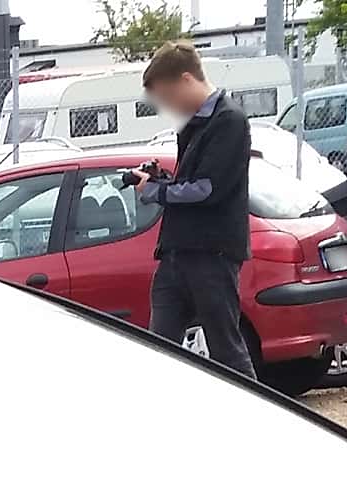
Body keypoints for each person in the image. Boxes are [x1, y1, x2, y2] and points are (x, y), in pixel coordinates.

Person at [130, 43, 256, 377]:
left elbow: (208, 189)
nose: (168, 107)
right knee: (159, 351)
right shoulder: (192, 125)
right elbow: (190, 183)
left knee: (226, 350)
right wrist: (161, 180)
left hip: (212, 256)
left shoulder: (229, 121)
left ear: (186, 80)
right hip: (175, 253)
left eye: (168, 97)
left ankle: (257, 407)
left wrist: (156, 191)